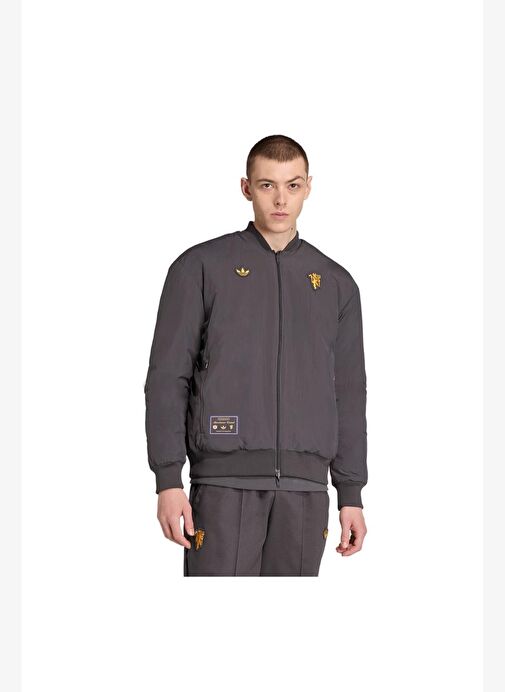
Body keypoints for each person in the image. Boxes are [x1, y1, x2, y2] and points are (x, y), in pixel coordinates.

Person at [144, 134, 368, 576]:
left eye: (292, 185)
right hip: (222, 485)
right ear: (247, 188)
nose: (281, 199)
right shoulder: (199, 267)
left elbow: (349, 391)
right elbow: (168, 377)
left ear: (308, 187)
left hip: (306, 491)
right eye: (268, 185)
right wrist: (168, 480)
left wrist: (351, 493)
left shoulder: (336, 284)